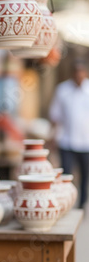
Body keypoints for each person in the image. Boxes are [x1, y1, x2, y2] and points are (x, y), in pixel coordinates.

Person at [49, 59, 89, 209]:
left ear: (85, 73)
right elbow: (55, 116)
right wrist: (51, 136)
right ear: (73, 73)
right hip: (66, 140)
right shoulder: (63, 90)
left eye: (81, 72)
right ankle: (66, 204)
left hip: (86, 142)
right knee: (66, 175)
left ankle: (82, 205)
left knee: (85, 176)